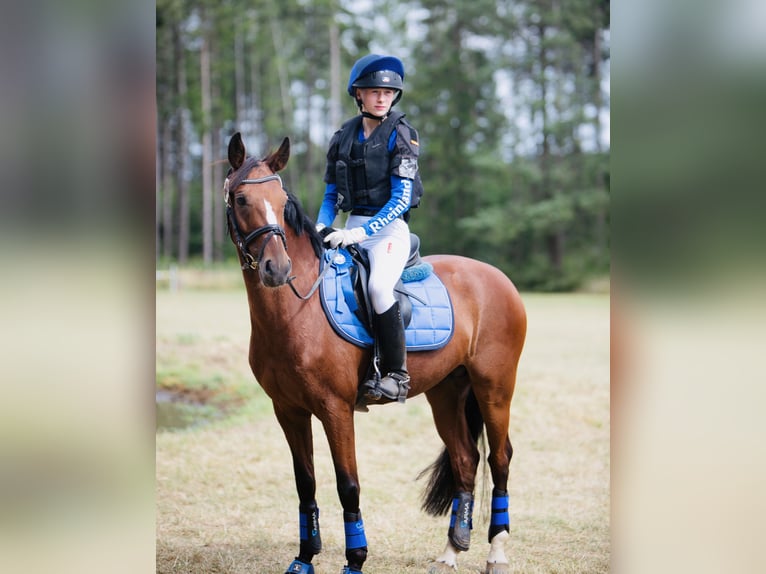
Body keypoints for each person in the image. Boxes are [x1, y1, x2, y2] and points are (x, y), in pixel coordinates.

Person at [316, 54, 424, 402]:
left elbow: (401, 199)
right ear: (358, 94)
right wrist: (322, 224)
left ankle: (396, 374)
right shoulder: (342, 137)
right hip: (350, 226)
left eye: (389, 93)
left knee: (378, 288)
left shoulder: (402, 135)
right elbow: (332, 192)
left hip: (388, 232)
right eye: (374, 91)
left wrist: (357, 235)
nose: (382, 98)